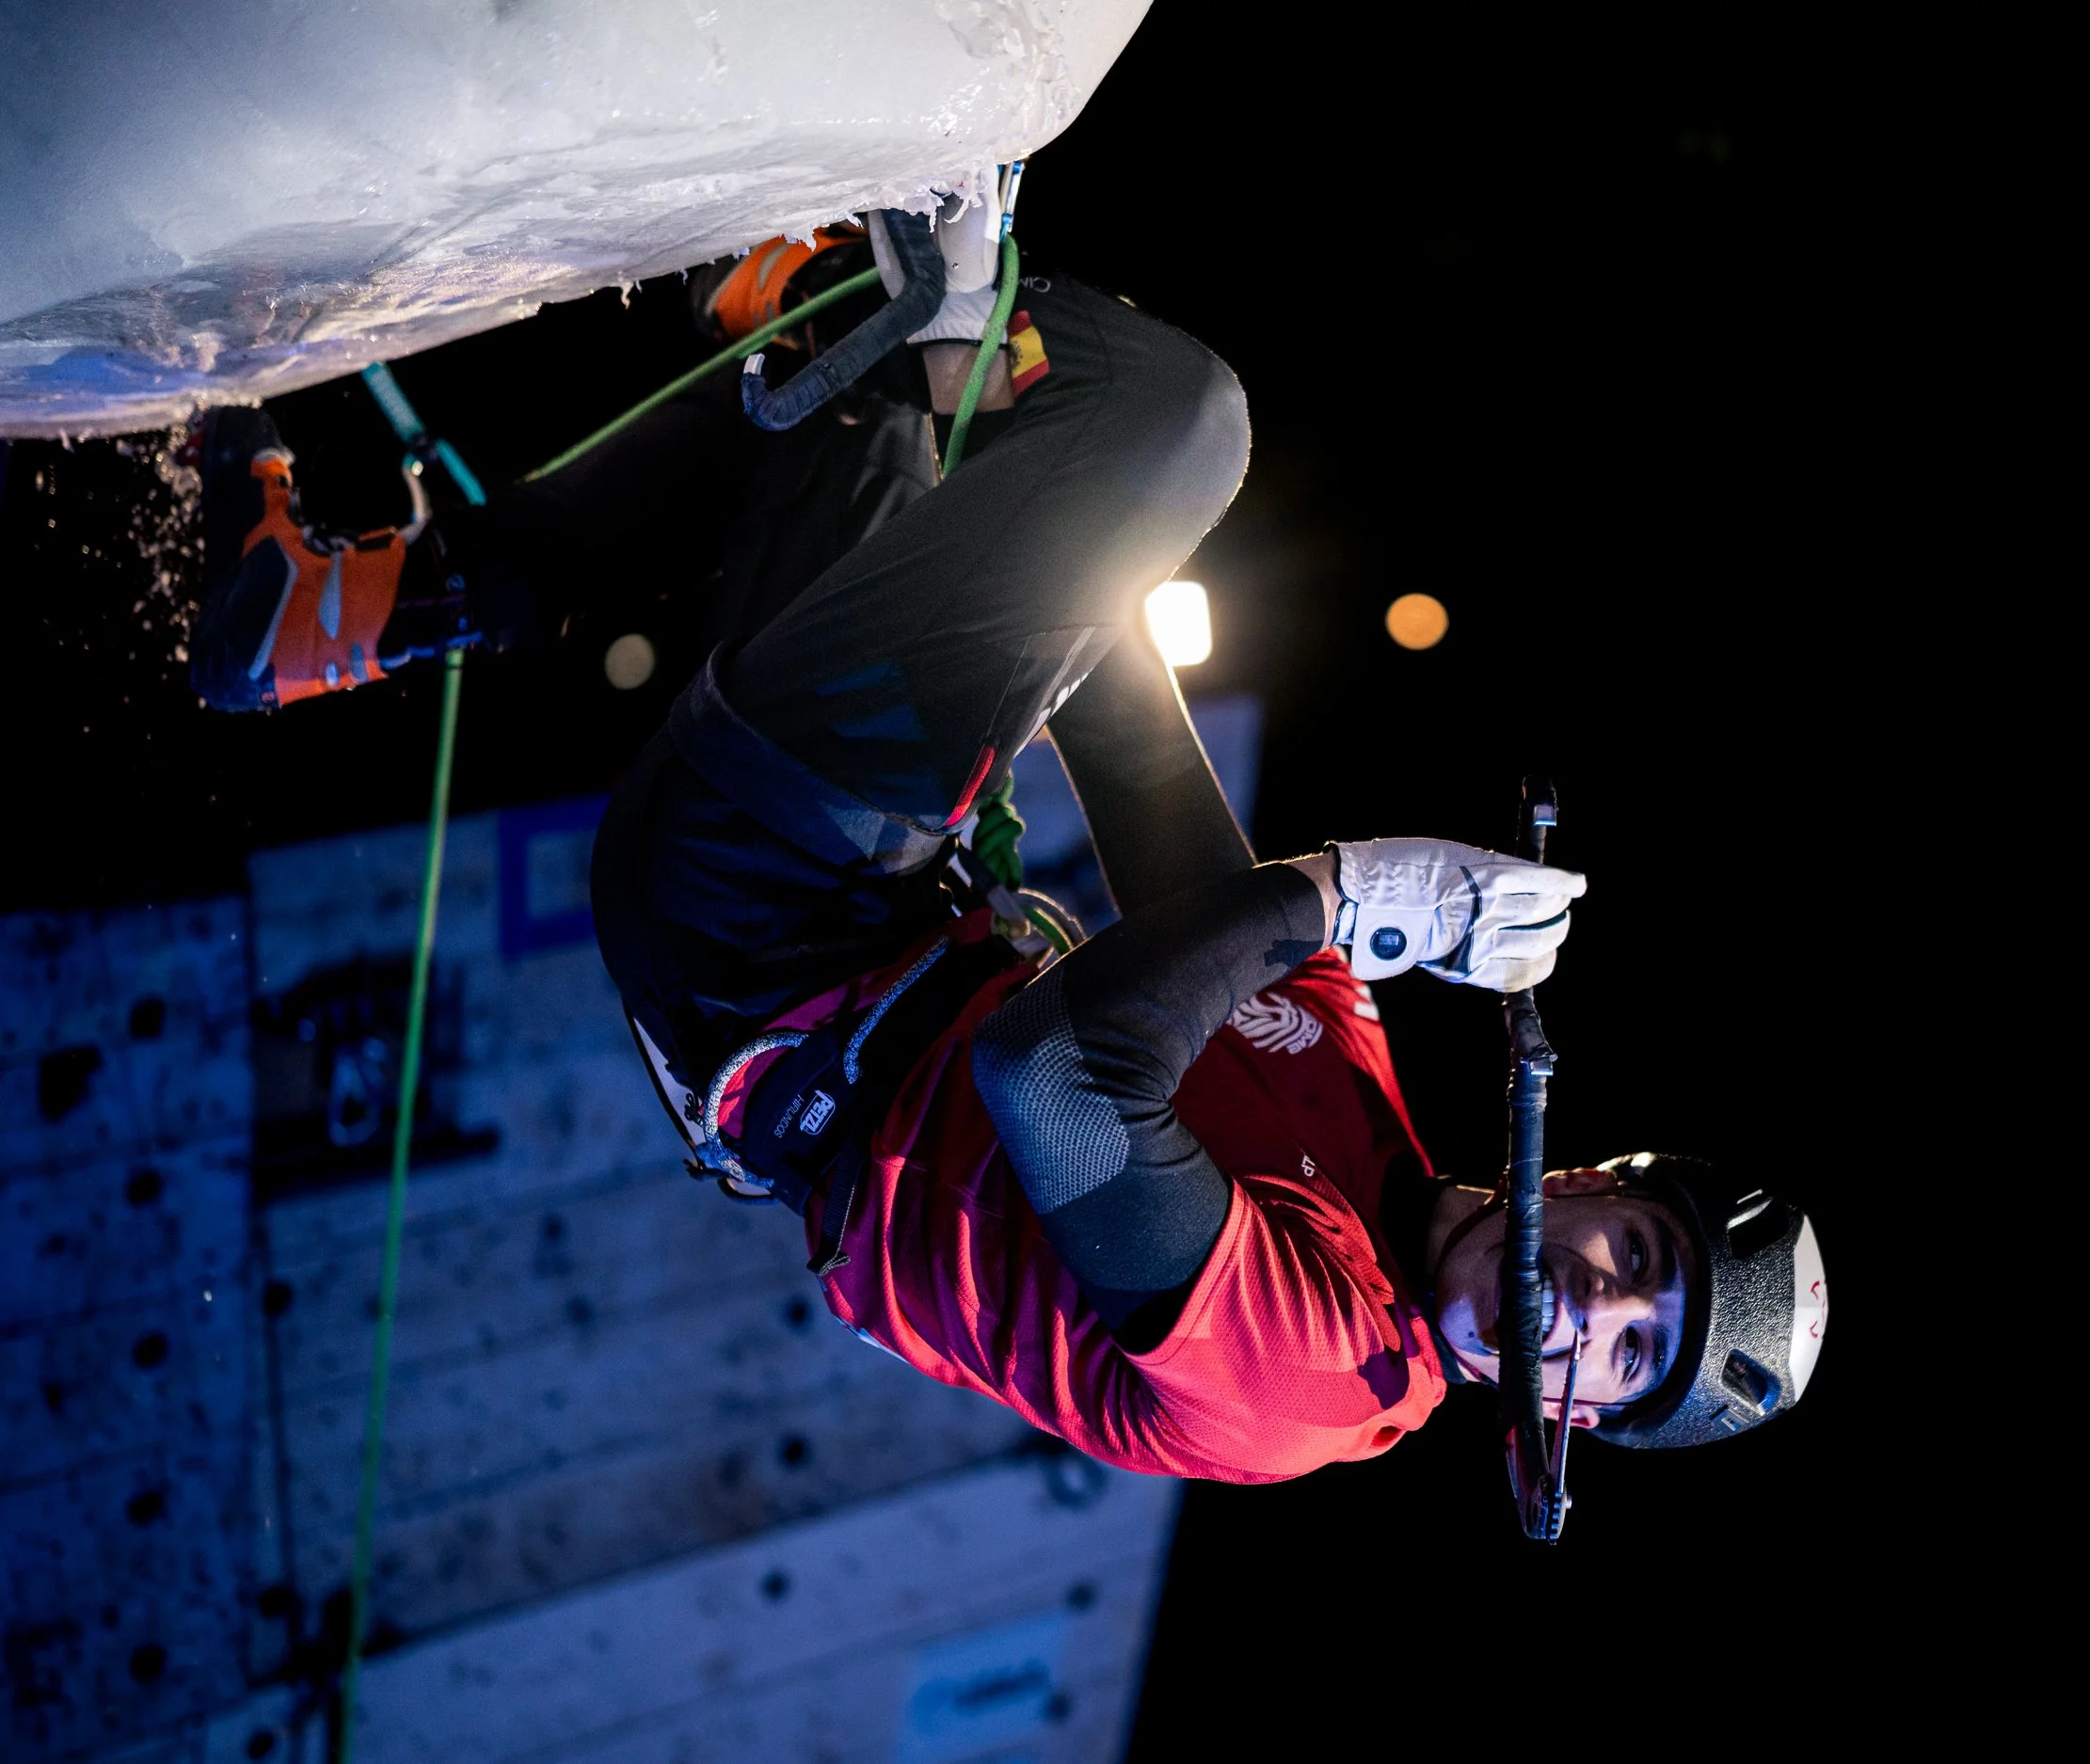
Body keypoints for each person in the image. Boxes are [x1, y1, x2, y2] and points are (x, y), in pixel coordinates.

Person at [191, 203, 1829, 1499]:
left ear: (1575, 1419)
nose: (1580, 1311)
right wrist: (997, 475)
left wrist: (1347, 891)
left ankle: (897, 329)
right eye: (1632, 1262)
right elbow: (1128, 738)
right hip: (867, 893)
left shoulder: (1314, 1380)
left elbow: (1053, 1073)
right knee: (874, 370)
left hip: (763, 948)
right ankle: (348, 608)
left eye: (1620, 1356)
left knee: (1177, 422)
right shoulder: (1375, 1128)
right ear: (1597, 1181)